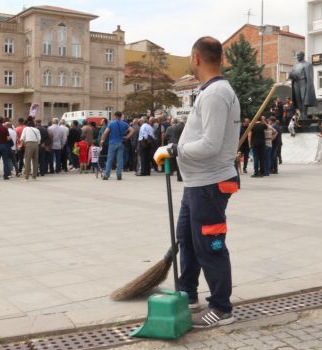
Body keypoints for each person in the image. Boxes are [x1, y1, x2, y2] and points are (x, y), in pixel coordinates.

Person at [154, 36, 239, 328]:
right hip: (197, 183)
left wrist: (175, 150)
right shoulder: (210, 91)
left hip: (210, 183)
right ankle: (187, 292)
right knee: (186, 241)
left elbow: (212, 144)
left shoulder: (216, 94)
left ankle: (221, 307)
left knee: (209, 244)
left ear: (196, 58)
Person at [100, 111, 134, 180]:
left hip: (112, 143)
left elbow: (105, 133)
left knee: (110, 159)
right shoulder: (125, 124)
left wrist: (102, 141)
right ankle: (119, 175)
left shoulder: (111, 123)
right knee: (120, 160)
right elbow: (132, 130)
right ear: (121, 116)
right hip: (121, 143)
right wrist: (127, 137)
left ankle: (106, 175)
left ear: (115, 116)